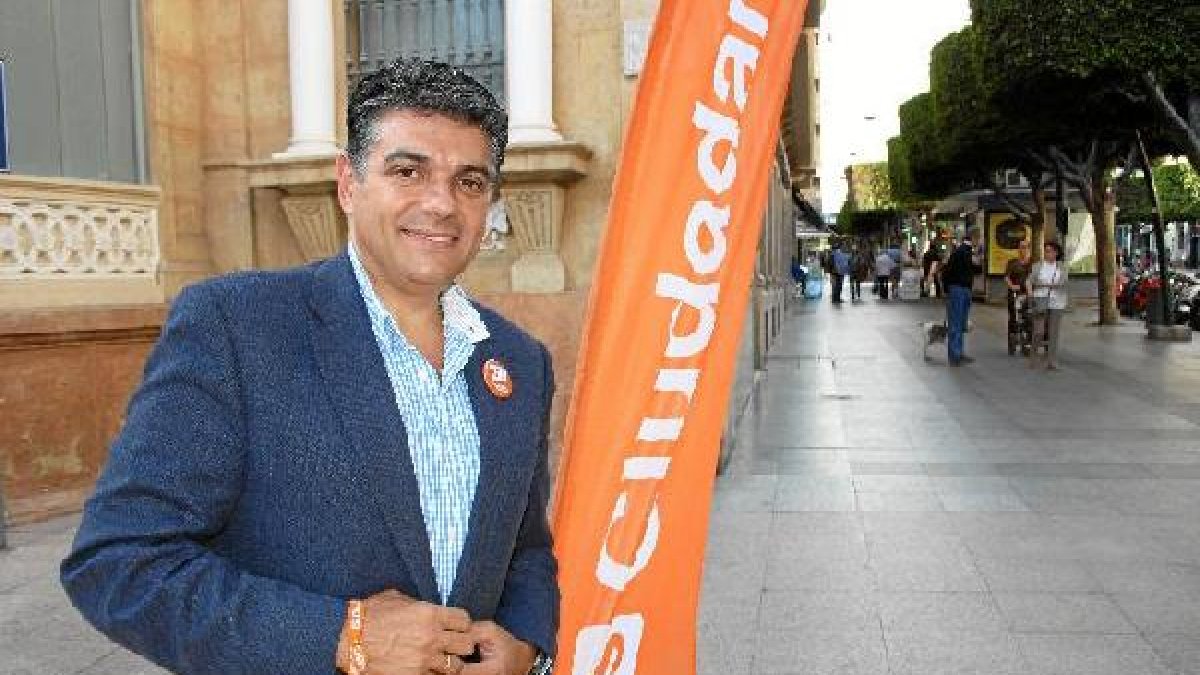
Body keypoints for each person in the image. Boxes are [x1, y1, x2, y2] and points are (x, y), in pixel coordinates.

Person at [61, 59, 558, 675]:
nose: (441, 204)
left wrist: (526, 645)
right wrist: (341, 636)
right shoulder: (236, 326)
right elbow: (119, 560)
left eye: (470, 182)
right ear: (348, 183)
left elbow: (527, 547)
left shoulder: (521, 362)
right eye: (408, 171)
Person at [1027, 241, 1070, 370]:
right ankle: (1033, 354)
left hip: (1057, 301)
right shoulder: (1037, 266)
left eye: (1050, 251)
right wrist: (1030, 292)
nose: (1047, 253)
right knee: (1039, 331)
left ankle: (1051, 361)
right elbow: (1029, 281)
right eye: (1046, 251)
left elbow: (1063, 283)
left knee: (1053, 332)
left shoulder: (1063, 267)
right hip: (1040, 300)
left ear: (1056, 253)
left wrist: (1044, 285)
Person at [941, 235, 983, 365]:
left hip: (957, 290)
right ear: (974, 240)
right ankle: (955, 355)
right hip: (961, 290)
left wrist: (946, 289)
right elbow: (978, 270)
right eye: (978, 239)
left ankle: (957, 353)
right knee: (957, 323)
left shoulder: (959, 252)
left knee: (958, 323)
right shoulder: (965, 253)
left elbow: (946, 271)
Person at [1005, 240, 1033, 351]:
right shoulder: (1012, 263)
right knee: (1013, 316)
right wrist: (1011, 286)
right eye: (1021, 247)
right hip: (1015, 292)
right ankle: (1013, 335)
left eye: (1025, 247)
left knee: (1029, 315)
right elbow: (1007, 277)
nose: (1023, 250)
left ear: (1029, 249)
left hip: (1029, 293)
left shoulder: (1032, 263)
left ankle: (1028, 339)